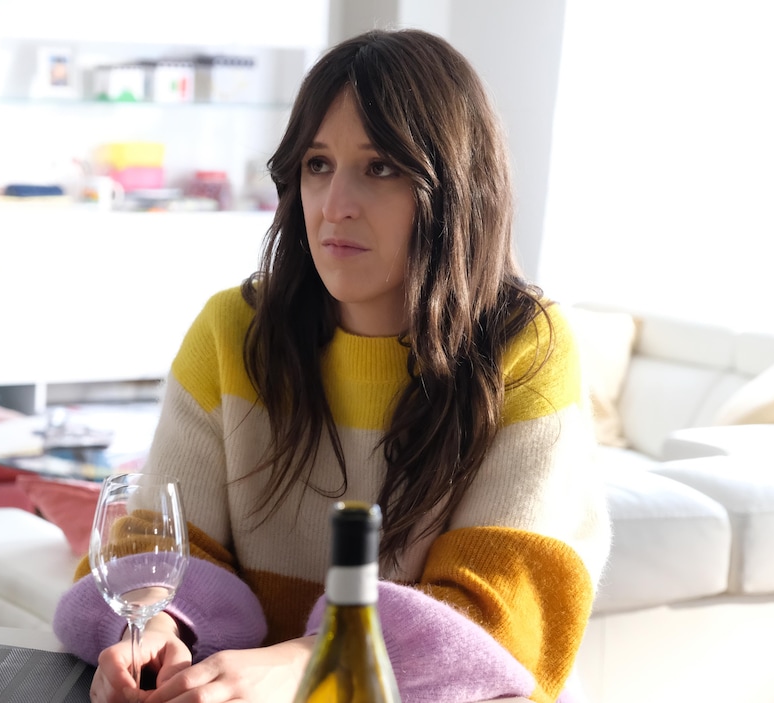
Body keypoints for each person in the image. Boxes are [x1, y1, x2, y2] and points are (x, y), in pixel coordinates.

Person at [54, 28, 610, 703]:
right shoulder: (232, 333)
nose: (334, 204)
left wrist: (303, 662)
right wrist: (156, 628)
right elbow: (163, 546)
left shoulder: (527, 349)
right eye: (318, 164)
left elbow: (497, 620)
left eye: (378, 167)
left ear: (455, 188)